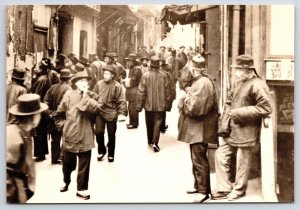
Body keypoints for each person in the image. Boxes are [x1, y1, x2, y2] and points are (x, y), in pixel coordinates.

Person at [212, 54, 272, 201]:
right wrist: (226, 117)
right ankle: (225, 188)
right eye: (236, 69)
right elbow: (229, 99)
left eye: (238, 70)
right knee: (220, 154)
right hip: (234, 130)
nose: (235, 73)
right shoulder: (239, 82)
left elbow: (266, 108)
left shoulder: (258, 85)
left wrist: (238, 113)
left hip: (247, 131)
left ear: (249, 71)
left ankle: (239, 190)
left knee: (242, 162)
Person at [177, 55, 218, 203]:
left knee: (199, 158)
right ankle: (198, 185)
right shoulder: (202, 81)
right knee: (196, 157)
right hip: (198, 128)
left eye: (191, 69)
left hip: (200, 129)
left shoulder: (202, 83)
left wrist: (182, 101)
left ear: (195, 70)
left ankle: (203, 191)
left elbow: (195, 108)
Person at [56, 70, 101, 200]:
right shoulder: (68, 95)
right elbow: (59, 114)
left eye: (86, 81)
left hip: (85, 134)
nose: (84, 83)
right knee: (68, 164)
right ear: (75, 83)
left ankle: (81, 189)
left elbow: (97, 109)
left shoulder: (92, 96)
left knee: (84, 165)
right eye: (81, 81)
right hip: (70, 134)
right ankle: (66, 180)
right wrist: (63, 126)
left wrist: (86, 96)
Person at [7, 93, 48, 203]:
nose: (40, 117)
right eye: (39, 114)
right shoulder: (12, 136)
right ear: (33, 117)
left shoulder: (23, 133)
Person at [93, 65, 127, 162]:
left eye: (107, 74)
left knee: (111, 134)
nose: (105, 75)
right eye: (104, 73)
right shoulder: (99, 84)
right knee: (98, 132)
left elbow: (121, 101)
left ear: (112, 75)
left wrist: (122, 113)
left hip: (112, 113)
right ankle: (101, 150)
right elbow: (93, 96)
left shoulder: (117, 86)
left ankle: (111, 154)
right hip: (100, 112)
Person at [136, 56, 171, 152]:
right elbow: (168, 91)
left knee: (149, 122)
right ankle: (155, 142)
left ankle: (150, 141)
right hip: (161, 104)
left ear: (150, 65)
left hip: (148, 104)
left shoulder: (146, 75)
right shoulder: (164, 75)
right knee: (158, 123)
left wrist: (139, 105)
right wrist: (168, 103)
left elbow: (141, 91)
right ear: (158, 65)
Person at [44, 69, 73, 164]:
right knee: (66, 137)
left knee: (55, 139)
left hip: (52, 117)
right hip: (62, 117)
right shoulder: (69, 89)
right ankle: (61, 157)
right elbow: (67, 104)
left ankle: (54, 158)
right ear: (68, 79)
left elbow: (46, 101)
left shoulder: (52, 87)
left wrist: (50, 112)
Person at [31, 58, 54, 162]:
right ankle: (42, 152)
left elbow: (37, 95)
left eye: (38, 68)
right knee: (42, 131)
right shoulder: (46, 78)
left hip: (39, 107)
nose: (36, 69)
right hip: (43, 107)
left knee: (39, 131)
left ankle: (40, 154)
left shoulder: (41, 80)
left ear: (41, 69)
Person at [123, 53, 142, 129]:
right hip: (132, 91)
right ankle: (132, 122)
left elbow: (134, 80)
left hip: (134, 91)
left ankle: (134, 123)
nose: (128, 62)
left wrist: (125, 81)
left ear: (133, 61)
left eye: (130, 61)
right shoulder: (133, 68)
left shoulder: (136, 69)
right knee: (131, 107)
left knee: (133, 108)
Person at [159, 58, 176, 133]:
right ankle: (162, 126)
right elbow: (172, 86)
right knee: (163, 112)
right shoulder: (168, 74)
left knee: (159, 112)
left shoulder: (161, 74)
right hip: (165, 96)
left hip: (160, 96)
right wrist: (171, 97)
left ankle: (160, 126)